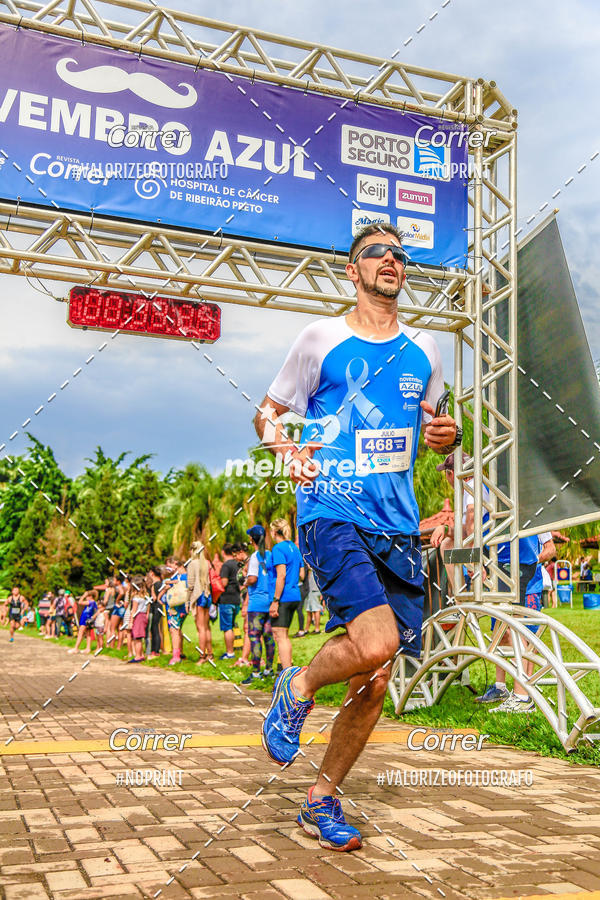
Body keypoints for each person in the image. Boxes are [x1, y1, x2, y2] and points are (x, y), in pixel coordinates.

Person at [254, 223, 456, 851]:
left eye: (399, 254)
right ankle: (299, 684)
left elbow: (436, 432)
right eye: (377, 253)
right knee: (378, 639)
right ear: (353, 270)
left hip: (397, 524)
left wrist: (447, 445)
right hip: (330, 509)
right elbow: (266, 412)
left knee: (376, 673)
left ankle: (321, 799)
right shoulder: (321, 339)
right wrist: (285, 449)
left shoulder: (426, 352)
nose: (391, 261)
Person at [476, 532, 556, 712]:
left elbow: (550, 549)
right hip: (501, 578)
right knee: (502, 633)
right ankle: (500, 687)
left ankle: (524, 691)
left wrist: (532, 562)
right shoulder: (496, 513)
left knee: (527, 637)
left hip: (528, 583)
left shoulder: (536, 517)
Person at [430, 451, 490, 598]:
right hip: (486, 543)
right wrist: (444, 528)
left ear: (450, 473)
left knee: (447, 545)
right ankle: (460, 597)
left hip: (493, 548)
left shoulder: (472, 485)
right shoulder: (471, 487)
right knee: (447, 544)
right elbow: (463, 531)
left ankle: (460, 598)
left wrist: (475, 559)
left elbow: (471, 520)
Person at [242, 525, 276, 684]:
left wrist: (244, 581)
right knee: (269, 637)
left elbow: (253, 578)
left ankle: (256, 673)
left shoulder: (255, 557)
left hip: (256, 603)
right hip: (270, 601)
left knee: (255, 637)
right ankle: (269, 670)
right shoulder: (271, 554)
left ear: (252, 539)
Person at [269, 519, 304, 669]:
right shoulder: (295, 548)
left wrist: (275, 600)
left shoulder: (278, 548)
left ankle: (286, 675)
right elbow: (301, 574)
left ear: (274, 532)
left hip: (283, 597)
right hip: (295, 594)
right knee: (284, 635)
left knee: (280, 636)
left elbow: (281, 575)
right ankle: (288, 671)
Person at [187, 542, 213, 665]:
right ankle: (210, 654)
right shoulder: (207, 563)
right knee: (207, 627)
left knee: (201, 628)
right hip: (208, 594)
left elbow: (191, 585)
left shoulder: (192, 563)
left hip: (198, 596)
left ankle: (202, 656)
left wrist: (188, 600)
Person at [161, 559, 188, 666]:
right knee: (178, 629)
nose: (168, 569)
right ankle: (180, 652)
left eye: (169, 566)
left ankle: (176, 656)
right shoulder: (186, 577)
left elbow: (166, 587)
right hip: (182, 608)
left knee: (174, 630)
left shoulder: (178, 578)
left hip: (174, 608)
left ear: (176, 564)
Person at [219, 543, 242, 660]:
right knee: (231, 625)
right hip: (237, 598)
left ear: (223, 552)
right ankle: (231, 651)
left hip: (226, 599)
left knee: (227, 627)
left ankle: (230, 653)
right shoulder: (238, 564)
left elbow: (223, 583)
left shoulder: (226, 565)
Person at [129, 578, 149, 663]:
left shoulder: (136, 598)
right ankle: (142, 654)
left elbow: (133, 610)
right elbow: (148, 609)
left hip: (138, 617)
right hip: (144, 616)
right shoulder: (146, 597)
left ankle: (138, 656)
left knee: (137, 638)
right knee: (140, 637)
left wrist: (131, 621)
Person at [146, 567, 164, 659]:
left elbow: (154, 598)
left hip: (157, 607)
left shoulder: (156, 584)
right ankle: (156, 649)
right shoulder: (160, 583)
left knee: (155, 628)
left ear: (152, 573)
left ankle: (155, 650)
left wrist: (152, 589)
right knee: (155, 628)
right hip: (158, 608)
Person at [304, 568, 323, 634]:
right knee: (309, 610)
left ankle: (317, 629)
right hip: (311, 591)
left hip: (314, 591)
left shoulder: (315, 570)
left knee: (316, 610)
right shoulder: (313, 570)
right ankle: (306, 629)